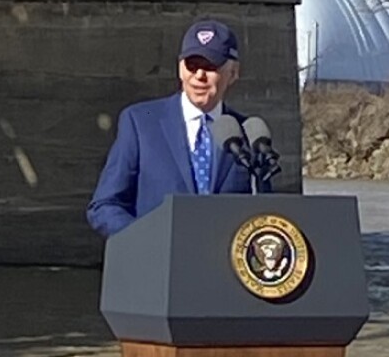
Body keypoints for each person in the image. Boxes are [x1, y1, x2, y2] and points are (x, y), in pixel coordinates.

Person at [87, 19, 261, 238]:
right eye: (192, 65)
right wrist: (143, 240)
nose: (199, 75)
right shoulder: (141, 123)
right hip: (156, 265)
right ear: (180, 69)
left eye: (210, 66)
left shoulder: (245, 134)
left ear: (233, 73)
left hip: (220, 266)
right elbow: (104, 205)